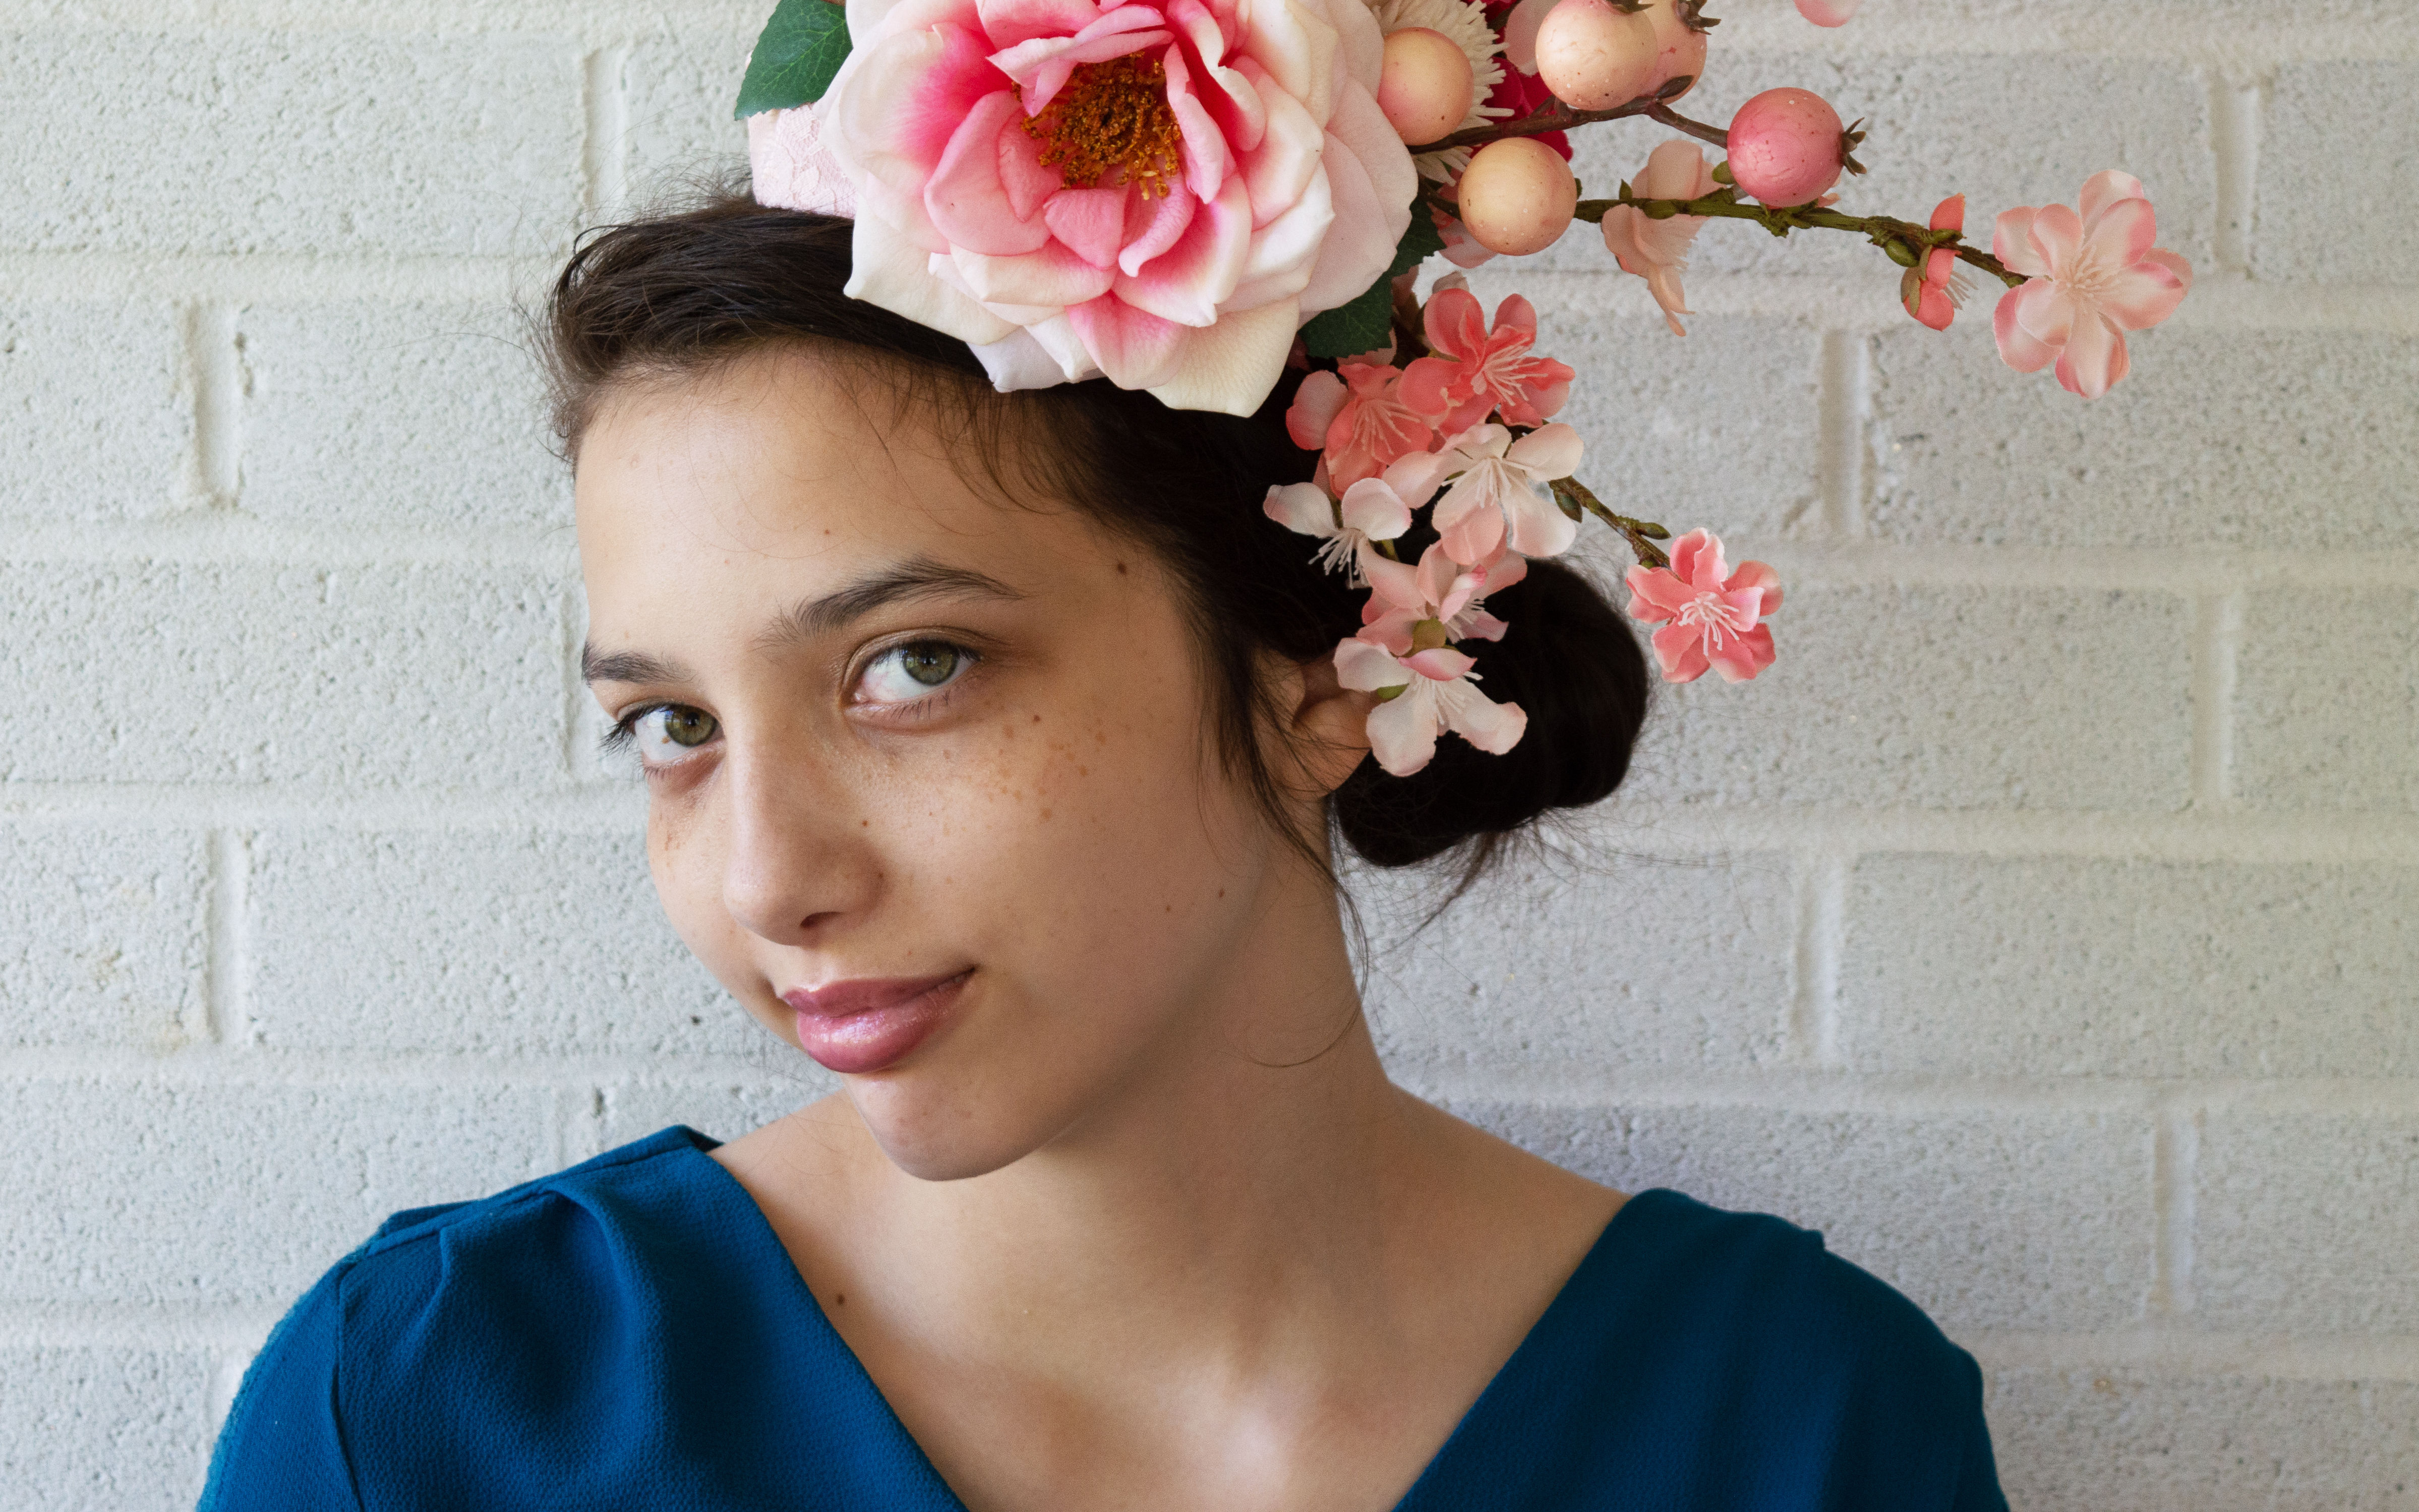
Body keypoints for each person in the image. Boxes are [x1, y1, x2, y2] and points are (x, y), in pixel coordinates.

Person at [197, 198, 2005, 1510]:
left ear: (1328, 669)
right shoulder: (435, 1416)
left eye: (914, 668)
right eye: (674, 727)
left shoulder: (1800, 1430)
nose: (765, 880)